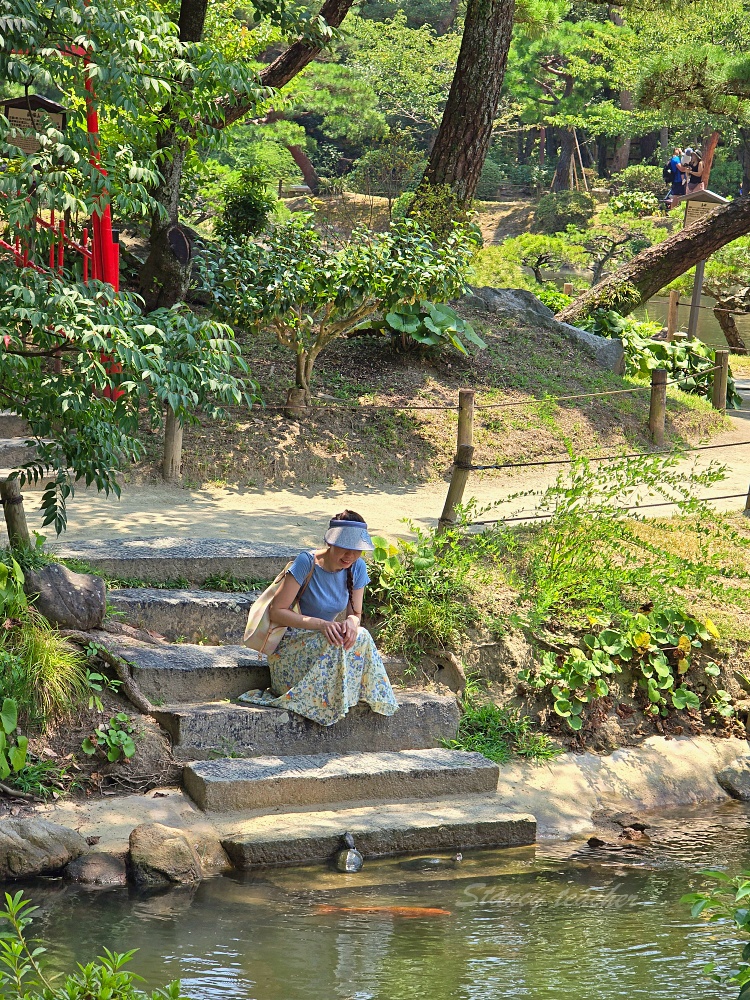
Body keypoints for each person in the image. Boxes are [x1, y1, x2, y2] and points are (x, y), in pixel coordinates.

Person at [239, 510, 399, 726]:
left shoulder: (357, 568)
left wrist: (351, 623)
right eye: (345, 547)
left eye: (357, 550)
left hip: (324, 643)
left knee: (360, 634)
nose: (350, 556)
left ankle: (353, 697)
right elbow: (277, 611)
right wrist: (322, 625)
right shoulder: (307, 562)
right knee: (333, 638)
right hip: (291, 649)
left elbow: (356, 613)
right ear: (331, 542)